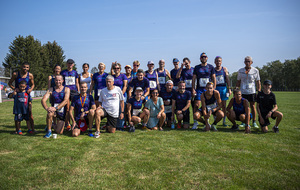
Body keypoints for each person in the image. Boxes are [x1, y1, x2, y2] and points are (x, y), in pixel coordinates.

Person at [8, 62, 35, 131]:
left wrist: (30, 89)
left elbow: (33, 85)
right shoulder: (16, 74)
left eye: (27, 67)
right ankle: (18, 130)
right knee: (18, 112)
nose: (25, 68)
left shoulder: (30, 75)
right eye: (24, 67)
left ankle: (32, 129)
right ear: (21, 67)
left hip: (27, 95)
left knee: (30, 112)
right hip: (19, 95)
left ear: (29, 68)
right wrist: (14, 89)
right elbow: (9, 83)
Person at [192, 53, 216, 128]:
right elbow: (194, 79)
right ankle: (196, 122)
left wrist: (214, 88)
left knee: (209, 105)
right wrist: (193, 88)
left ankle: (209, 121)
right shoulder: (197, 67)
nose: (204, 58)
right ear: (200, 58)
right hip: (199, 89)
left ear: (207, 58)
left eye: (205, 57)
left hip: (208, 89)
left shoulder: (211, 67)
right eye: (202, 57)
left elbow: (214, 78)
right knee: (196, 105)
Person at [236, 56, 261, 129]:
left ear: (251, 62)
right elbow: (238, 81)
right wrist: (237, 89)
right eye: (246, 61)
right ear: (244, 62)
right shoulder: (240, 70)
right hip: (243, 91)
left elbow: (258, 81)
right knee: (243, 107)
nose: (247, 63)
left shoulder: (255, 71)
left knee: (252, 106)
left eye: (249, 61)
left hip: (252, 91)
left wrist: (259, 90)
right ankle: (244, 121)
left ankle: (254, 122)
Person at [177, 57, 198, 129]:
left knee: (194, 106)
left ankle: (195, 122)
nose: (186, 64)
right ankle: (184, 121)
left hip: (193, 90)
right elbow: (177, 76)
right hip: (185, 91)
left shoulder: (193, 69)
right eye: (184, 63)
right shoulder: (183, 70)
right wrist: (181, 67)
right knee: (186, 106)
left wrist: (194, 89)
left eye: (186, 63)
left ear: (190, 62)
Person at [61, 59, 80, 130]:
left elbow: (77, 82)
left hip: (74, 91)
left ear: (73, 64)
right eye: (69, 63)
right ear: (66, 64)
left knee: (75, 108)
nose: (70, 65)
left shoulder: (75, 72)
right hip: (66, 91)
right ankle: (68, 123)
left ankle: (75, 122)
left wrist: (78, 90)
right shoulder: (63, 72)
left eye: (71, 64)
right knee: (68, 108)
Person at [214, 56, 231, 127]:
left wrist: (229, 88)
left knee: (224, 105)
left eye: (220, 61)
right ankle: (215, 121)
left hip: (223, 88)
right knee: (216, 105)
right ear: (215, 62)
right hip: (216, 88)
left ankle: (224, 121)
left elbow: (227, 79)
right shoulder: (213, 69)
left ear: (221, 62)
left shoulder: (224, 69)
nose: (218, 62)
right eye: (217, 61)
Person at [111, 62, 128, 130]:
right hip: (114, 96)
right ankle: (115, 124)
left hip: (122, 96)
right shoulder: (112, 76)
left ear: (120, 69)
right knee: (115, 110)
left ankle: (121, 125)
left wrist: (120, 94)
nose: (116, 69)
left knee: (121, 110)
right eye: (115, 68)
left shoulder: (123, 76)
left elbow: (125, 86)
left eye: (118, 68)